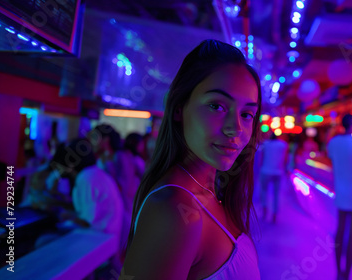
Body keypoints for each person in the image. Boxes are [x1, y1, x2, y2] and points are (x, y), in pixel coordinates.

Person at [121, 39, 262, 280]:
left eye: (247, 114)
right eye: (216, 106)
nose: (235, 129)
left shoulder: (211, 192)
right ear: (179, 108)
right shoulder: (174, 210)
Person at [50, 138, 124, 269]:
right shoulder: (95, 173)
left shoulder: (86, 178)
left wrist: (66, 216)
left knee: (44, 242)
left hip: (98, 243)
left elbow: (87, 221)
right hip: (108, 240)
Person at [326, 114, 352, 280]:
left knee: (340, 231)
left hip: (341, 192)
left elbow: (332, 162)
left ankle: (338, 272)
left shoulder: (334, 142)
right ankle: (347, 273)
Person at [259, 132, 288, 223]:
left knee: (264, 191)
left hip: (265, 170)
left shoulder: (265, 144)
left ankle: (264, 210)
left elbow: (262, 157)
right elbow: (285, 158)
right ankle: (274, 214)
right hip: (278, 172)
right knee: (276, 194)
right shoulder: (283, 145)